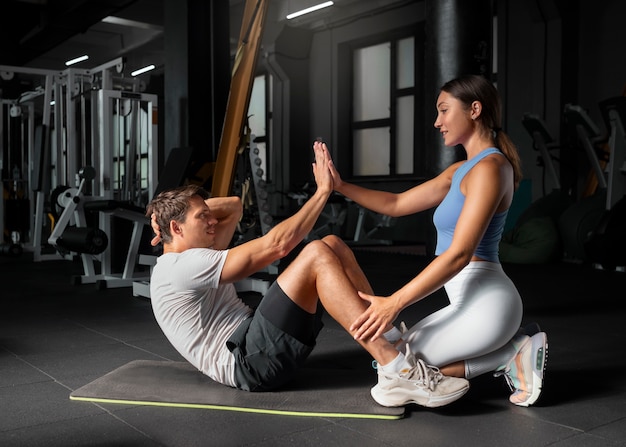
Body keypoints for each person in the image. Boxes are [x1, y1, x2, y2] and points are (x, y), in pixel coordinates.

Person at [145, 141, 470, 408]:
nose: (213, 221)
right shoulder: (181, 267)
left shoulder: (190, 254)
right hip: (247, 363)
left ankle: (390, 343)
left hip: (255, 341)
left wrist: (168, 214)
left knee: (332, 244)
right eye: (204, 218)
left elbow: (232, 205)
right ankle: (396, 370)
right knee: (314, 253)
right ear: (177, 228)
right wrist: (322, 192)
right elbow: (277, 246)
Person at [325, 74, 548, 407]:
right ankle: (511, 350)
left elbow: (460, 254)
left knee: (401, 374)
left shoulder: (491, 168)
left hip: (489, 304)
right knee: (395, 359)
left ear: (474, 109)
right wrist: (338, 186)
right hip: (464, 300)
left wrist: (395, 302)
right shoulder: (461, 170)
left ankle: (510, 353)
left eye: (444, 111)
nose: (437, 122)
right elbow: (395, 204)